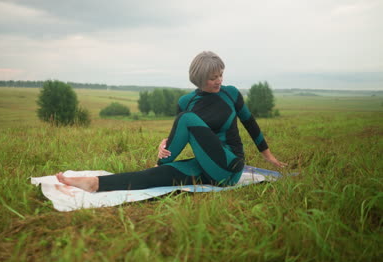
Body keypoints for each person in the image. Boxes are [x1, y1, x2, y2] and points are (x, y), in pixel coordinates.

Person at [56, 51, 286, 192]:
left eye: (221, 74)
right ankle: (94, 183)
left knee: (184, 124)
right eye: (213, 77)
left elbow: (250, 122)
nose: (219, 80)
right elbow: (180, 134)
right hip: (207, 166)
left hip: (230, 167)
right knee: (151, 177)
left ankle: (160, 164)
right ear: (198, 78)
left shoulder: (231, 93)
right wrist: (164, 145)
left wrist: (268, 155)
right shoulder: (186, 101)